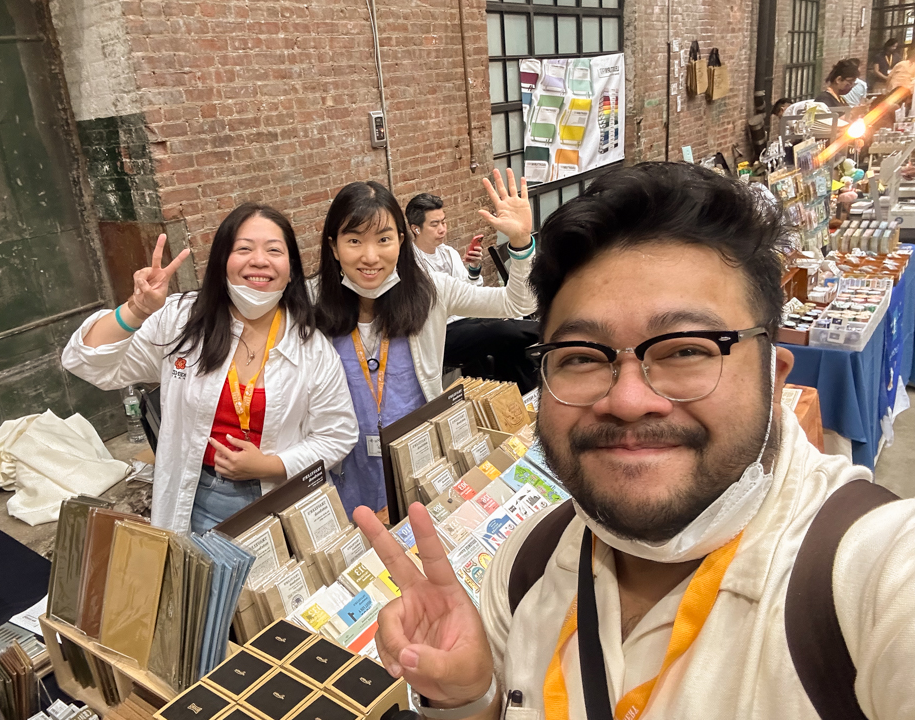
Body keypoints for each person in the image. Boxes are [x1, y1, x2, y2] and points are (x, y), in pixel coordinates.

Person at [354, 162, 915, 718]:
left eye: (687, 349)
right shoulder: (525, 568)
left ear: (774, 376)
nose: (626, 400)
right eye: (580, 356)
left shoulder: (870, 580)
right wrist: (470, 701)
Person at [62, 204, 358, 535]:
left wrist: (268, 466)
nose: (259, 260)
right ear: (221, 263)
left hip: (281, 496)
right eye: (243, 248)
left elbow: (337, 434)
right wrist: (136, 310)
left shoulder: (310, 345)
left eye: (274, 250)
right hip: (199, 497)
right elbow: (88, 363)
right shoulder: (181, 320)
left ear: (290, 269)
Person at [315, 170, 536, 519]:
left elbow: (518, 304)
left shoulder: (429, 290)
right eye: (354, 241)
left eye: (384, 239)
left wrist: (521, 245)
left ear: (401, 241)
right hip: (346, 464)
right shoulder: (313, 302)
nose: (370, 256)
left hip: (420, 458)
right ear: (334, 246)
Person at [405, 192, 539, 393]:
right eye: (435, 224)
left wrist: (474, 269)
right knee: (503, 331)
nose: (442, 229)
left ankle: (522, 398)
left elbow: (470, 295)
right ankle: (544, 331)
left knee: (511, 344)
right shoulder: (411, 263)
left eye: (444, 222)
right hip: (442, 333)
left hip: (467, 323)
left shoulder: (448, 253)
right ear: (416, 228)